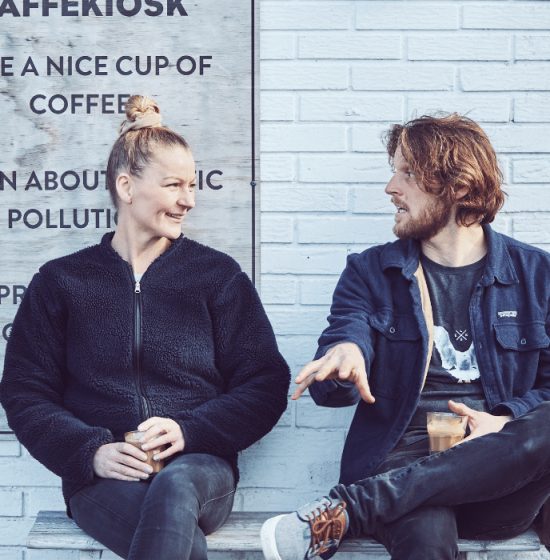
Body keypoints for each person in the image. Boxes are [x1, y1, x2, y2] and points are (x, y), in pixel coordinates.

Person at [0, 95, 290, 560]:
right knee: (171, 535)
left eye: (192, 186)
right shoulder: (61, 282)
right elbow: (23, 391)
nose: (188, 201)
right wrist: (91, 451)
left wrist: (190, 430)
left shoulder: (217, 276)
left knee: (174, 488)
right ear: (127, 187)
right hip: (103, 477)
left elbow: (266, 383)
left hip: (201, 467)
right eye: (174, 185)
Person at [260, 113, 550, 560]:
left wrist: (508, 419)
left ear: (459, 187)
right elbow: (345, 339)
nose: (391, 188)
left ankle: (349, 510)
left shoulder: (536, 275)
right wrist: (344, 354)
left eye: (408, 173)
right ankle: (368, 502)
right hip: (401, 465)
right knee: (425, 534)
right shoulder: (370, 272)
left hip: (497, 474)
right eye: (394, 171)